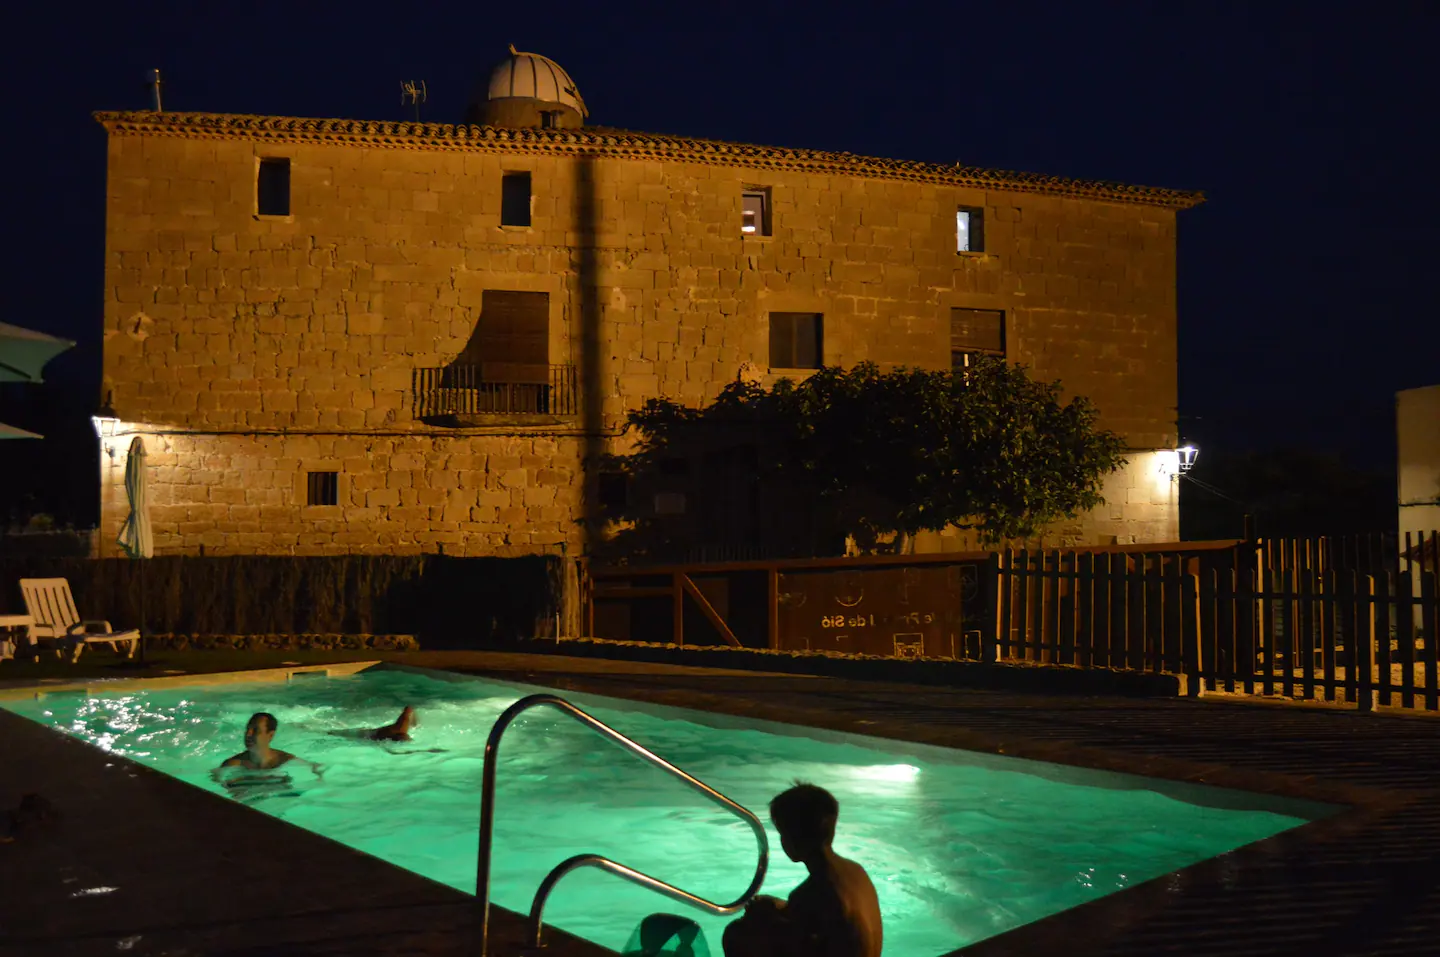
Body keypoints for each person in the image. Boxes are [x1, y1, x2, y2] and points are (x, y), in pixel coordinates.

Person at [723, 783, 882, 957]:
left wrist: (765, 917)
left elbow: (797, 945)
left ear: (791, 840)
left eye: (782, 833)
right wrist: (779, 907)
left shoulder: (810, 893)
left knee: (738, 934)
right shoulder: (856, 872)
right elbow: (833, 921)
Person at [214, 712, 321, 780]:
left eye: (255, 730)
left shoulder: (285, 760)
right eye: (248, 729)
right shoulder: (233, 764)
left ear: (270, 735)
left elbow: (316, 768)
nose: (248, 734)